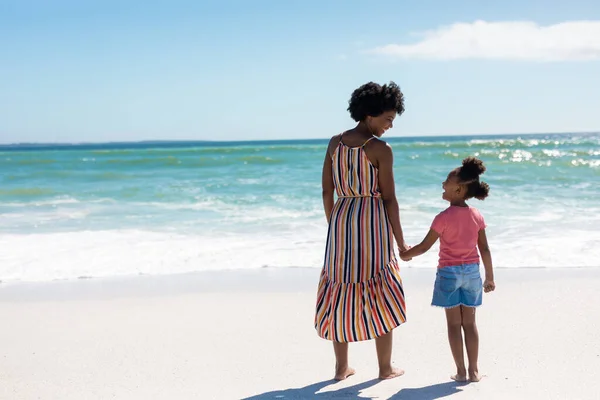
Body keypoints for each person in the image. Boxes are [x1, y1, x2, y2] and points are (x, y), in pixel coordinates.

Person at [315, 81, 410, 381]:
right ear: (370, 114)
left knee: (339, 289)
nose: (390, 126)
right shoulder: (380, 149)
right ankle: (385, 368)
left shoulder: (334, 143)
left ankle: (341, 367)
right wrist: (402, 242)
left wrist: (336, 225)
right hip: (372, 222)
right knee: (381, 290)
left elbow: (327, 190)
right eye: (388, 119)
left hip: (341, 220)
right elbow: (389, 198)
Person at [399, 156, 495, 383]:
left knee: (453, 324)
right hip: (472, 273)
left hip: (449, 274)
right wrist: (489, 277)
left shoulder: (442, 218)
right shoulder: (477, 215)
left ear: (459, 189)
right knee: (470, 323)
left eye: (447, 181)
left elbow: (424, 247)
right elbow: (485, 249)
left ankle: (461, 371)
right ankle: (474, 371)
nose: (443, 184)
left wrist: (406, 254)